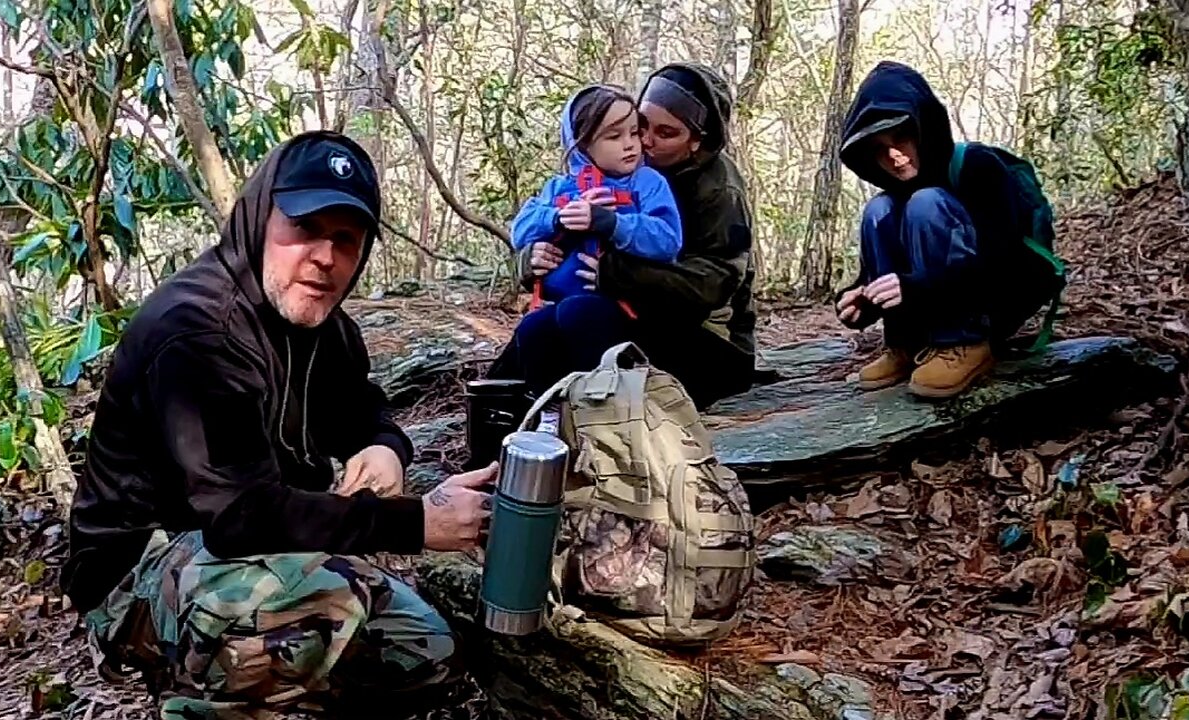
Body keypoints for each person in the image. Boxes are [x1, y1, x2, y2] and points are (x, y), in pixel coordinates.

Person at [60, 131, 495, 719]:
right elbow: (243, 516)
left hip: (260, 551)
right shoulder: (198, 332)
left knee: (427, 654)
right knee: (324, 606)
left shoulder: (324, 322)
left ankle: (285, 693)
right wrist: (418, 522)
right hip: (140, 567)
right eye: (306, 229)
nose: (325, 256)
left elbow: (362, 407)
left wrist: (384, 445)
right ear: (262, 218)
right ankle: (203, 696)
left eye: (346, 239)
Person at [491, 62, 757, 410]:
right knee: (533, 335)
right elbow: (545, 227)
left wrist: (616, 273)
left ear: (696, 142)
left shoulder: (718, 190)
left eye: (665, 133)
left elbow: (713, 284)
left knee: (581, 316)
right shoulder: (611, 172)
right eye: (641, 125)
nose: (643, 141)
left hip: (709, 344)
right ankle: (514, 429)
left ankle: (607, 427)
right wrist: (532, 261)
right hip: (628, 313)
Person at [834, 60, 1058, 398]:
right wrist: (862, 301)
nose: (895, 156)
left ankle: (964, 344)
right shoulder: (892, 201)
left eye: (901, 137)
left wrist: (915, 288)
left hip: (997, 301)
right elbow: (888, 279)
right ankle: (904, 345)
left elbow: (1005, 262)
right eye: (879, 149)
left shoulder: (977, 167)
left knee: (927, 203)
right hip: (929, 302)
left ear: (923, 128)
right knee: (876, 210)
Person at [508, 83, 683, 391]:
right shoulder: (560, 188)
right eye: (614, 136)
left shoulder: (646, 183)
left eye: (633, 132)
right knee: (532, 328)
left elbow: (668, 239)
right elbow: (521, 229)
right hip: (563, 303)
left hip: (629, 308)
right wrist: (557, 218)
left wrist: (613, 223)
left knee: (579, 313)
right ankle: (549, 413)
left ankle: (602, 406)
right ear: (581, 144)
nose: (630, 145)